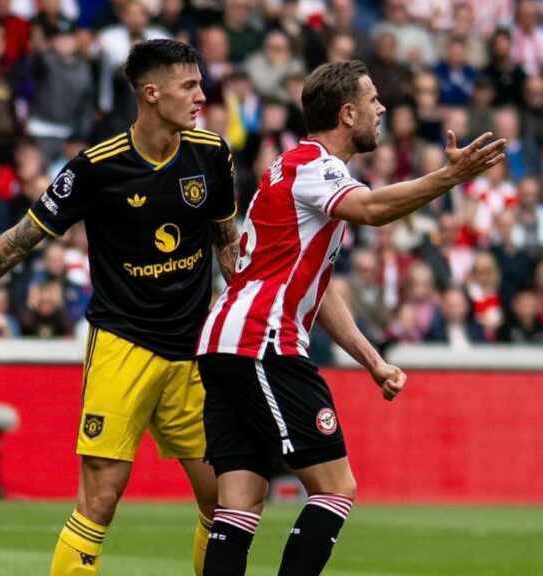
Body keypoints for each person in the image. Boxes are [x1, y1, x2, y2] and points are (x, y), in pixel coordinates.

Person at [0, 39, 239, 576]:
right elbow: (19, 240)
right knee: (100, 499)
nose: (201, 96)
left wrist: (246, 325)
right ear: (150, 92)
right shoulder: (97, 167)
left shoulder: (212, 153)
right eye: (188, 86)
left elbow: (226, 245)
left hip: (192, 350)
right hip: (123, 344)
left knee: (224, 501)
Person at [196, 60, 506, 576]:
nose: (382, 109)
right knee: (336, 489)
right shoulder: (315, 166)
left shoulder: (291, 168)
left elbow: (318, 289)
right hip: (262, 342)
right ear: (347, 113)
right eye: (374, 100)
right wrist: (450, 176)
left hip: (226, 343)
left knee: (239, 502)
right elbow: (373, 210)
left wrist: (371, 360)